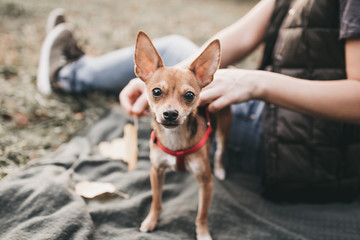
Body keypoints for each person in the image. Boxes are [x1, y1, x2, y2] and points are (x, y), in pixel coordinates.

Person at [38, 0, 360, 200]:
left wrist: (255, 82)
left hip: (307, 144)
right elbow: (242, 35)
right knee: (179, 52)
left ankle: (67, 74)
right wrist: (163, 81)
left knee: (178, 50)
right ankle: (73, 73)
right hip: (275, 117)